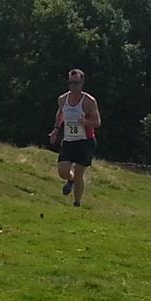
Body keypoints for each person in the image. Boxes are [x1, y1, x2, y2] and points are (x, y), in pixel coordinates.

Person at [49, 68, 101, 207]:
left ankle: (77, 203)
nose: (73, 86)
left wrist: (85, 122)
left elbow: (97, 122)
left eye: (76, 83)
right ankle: (69, 180)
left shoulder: (89, 101)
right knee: (62, 171)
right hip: (69, 140)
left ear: (82, 83)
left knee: (79, 174)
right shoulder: (62, 99)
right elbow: (60, 114)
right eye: (71, 83)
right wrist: (55, 130)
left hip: (85, 141)